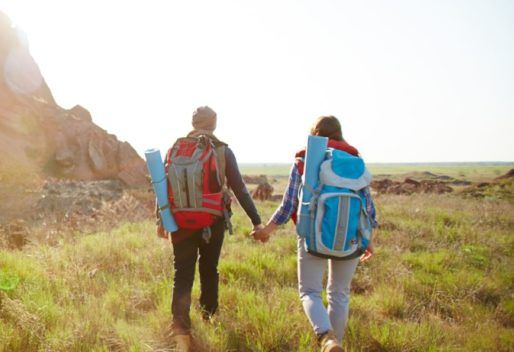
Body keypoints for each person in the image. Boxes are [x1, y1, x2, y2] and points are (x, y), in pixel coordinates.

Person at [252, 116, 378, 352]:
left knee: (310, 291)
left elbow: (288, 204)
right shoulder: (355, 162)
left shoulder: (305, 161)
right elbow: (368, 208)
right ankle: (335, 343)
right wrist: (368, 241)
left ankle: (327, 339)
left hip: (311, 235)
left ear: (314, 135)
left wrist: (265, 230)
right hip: (350, 238)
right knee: (339, 293)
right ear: (340, 133)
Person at [158, 106, 264, 350]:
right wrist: (256, 220)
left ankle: (181, 329)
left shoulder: (174, 149)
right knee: (209, 269)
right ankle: (208, 316)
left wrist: (160, 221)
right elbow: (239, 188)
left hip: (180, 221)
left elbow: (162, 188)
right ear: (214, 124)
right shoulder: (222, 150)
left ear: (193, 123)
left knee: (182, 273)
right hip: (212, 220)